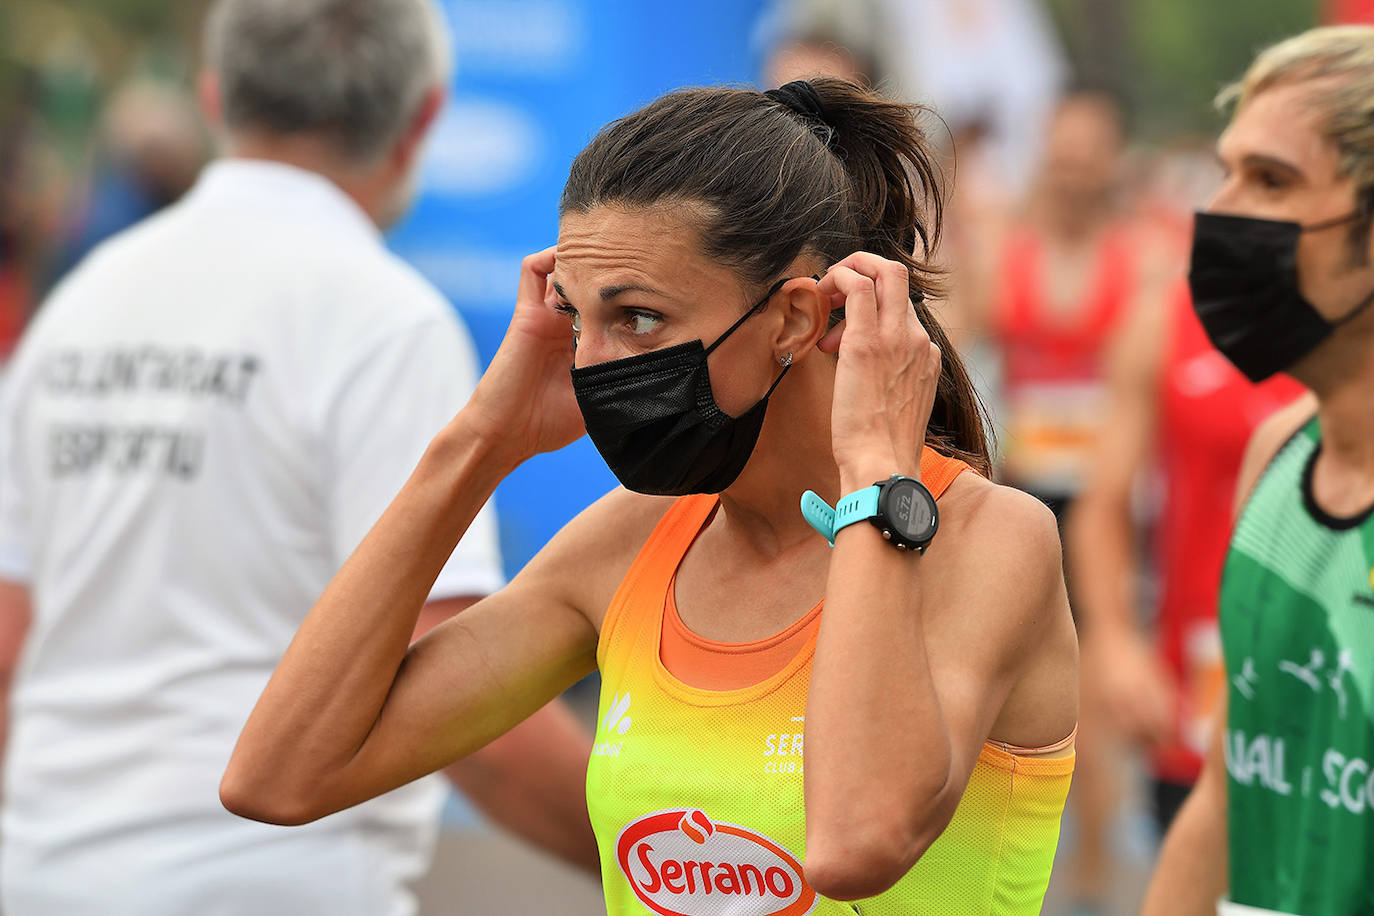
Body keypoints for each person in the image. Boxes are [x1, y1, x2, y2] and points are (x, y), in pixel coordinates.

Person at [223, 77, 1079, 914]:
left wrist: (876, 478)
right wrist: (480, 442)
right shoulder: (627, 544)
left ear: (791, 319)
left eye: (636, 318)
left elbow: (857, 843)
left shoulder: (987, 540)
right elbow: (280, 776)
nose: (591, 364)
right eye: (573, 317)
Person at [0, 1, 596, 913]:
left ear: (213, 95)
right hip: (275, 877)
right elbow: (465, 701)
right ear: (424, 116)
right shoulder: (381, 318)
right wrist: (685, 858)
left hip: (43, 871)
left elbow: (11, 630)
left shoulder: (80, 303)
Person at [1142, 25, 1374, 916]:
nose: (1223, 211)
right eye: (1227, 170)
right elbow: (1228, 790)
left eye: (1272, 180)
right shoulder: (1280, 453)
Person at [1068, 279, 1304, 839]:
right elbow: (1103, 504)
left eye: (1272, 183)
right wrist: (1115, 638)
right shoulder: (1166, 318)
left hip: (1333, 690)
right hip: (1197, 686)